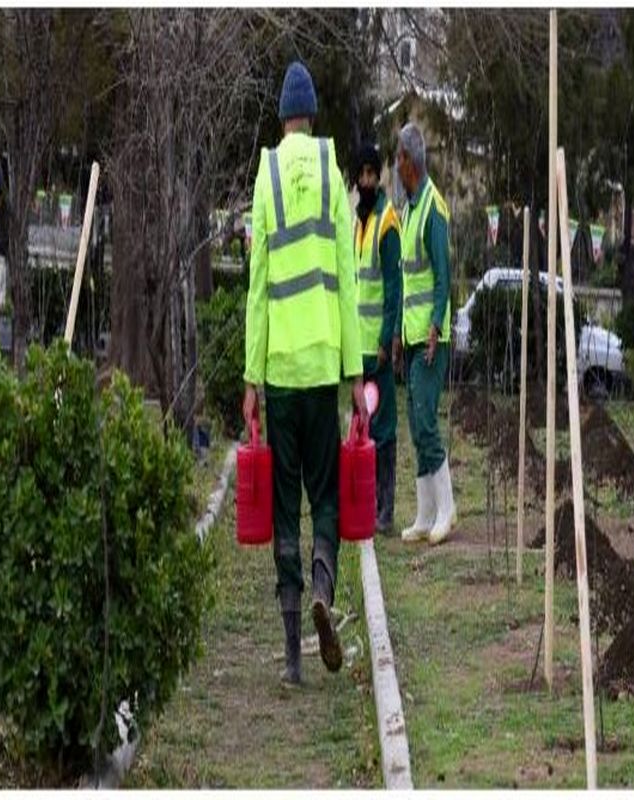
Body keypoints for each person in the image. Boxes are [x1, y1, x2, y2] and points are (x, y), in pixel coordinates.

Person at [243, 61, 368, 686]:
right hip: (322, 371)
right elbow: (346, 284)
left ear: (281, 119)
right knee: (326, 497)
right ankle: (324, 579)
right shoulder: (332, 175)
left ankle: (293, 656)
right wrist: (356, 375)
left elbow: (258, 287)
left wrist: (250, 380)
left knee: (284, 506)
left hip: (280, 373)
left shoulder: (265, 178)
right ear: (313, 115)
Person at [393, 122, 457, 545]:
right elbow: (408, 279)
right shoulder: (411, 208)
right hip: (413, 335)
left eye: (398, 158)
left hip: (433, 337)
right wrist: (401, 332)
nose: (395, 166)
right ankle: (424, 513)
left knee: (427, 423)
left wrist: (434, 325)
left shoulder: (433, 209)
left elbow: (441, 278)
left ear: (409, 162)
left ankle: (446, 510)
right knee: (416, 424)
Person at [352, 143, 402, 534]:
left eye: (372, 173)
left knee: (382, 429)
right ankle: (367, 503)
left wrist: (388, 339)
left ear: (379, 177)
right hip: (358, 350)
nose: (367, 180)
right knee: (362, 427)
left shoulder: (386, 221)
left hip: (379, 350)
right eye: (362, 174)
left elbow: (393, 289)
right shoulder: (358, 222)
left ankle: (385, 509)